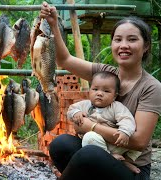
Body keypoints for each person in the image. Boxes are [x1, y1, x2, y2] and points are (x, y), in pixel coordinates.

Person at [40, 2, 161, 179]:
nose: (123, 45)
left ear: (146, 46)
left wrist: (92, 126)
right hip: (104, 153)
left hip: (132, 170)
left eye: (132, 39)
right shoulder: (106, 74)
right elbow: (64, 59)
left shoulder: (151, 87)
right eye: (118, 39)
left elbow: (138, 141)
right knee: (60, 144)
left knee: (89, 154)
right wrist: (53, 24)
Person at [67, 71, 141, 173]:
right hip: (95, 144)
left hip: (114, 143)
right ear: (90, 91)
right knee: (89, 137)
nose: (99, 93)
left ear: (115, 96)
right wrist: (76, 113)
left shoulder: (116, 107)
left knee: (139, 144)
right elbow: (71, 110)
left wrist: (125, 131)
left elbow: (127, 119)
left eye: (106, 91)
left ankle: (126, 161)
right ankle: (110, 157)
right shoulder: (84, 105)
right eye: (95, 89)